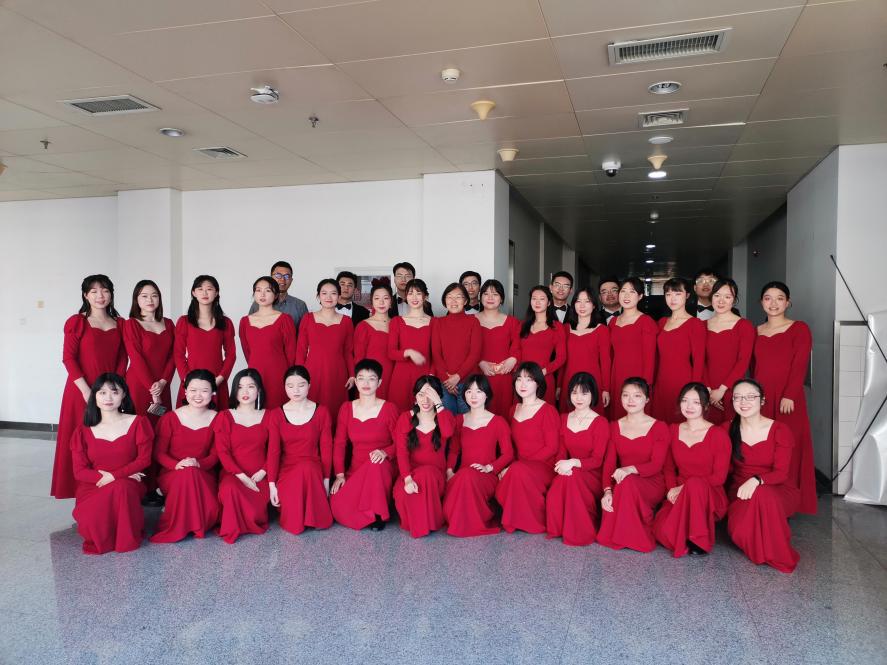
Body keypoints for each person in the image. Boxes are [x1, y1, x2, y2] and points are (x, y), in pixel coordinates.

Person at [52, 274, 128, 500]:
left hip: (110, 392)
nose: (100, 296)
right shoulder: (77, 322)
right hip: (81, 391)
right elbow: (69, 358)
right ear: (85, 295)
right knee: (82, 439)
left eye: (105, 290)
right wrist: (87, 391)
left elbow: (123, 358)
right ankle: (81, 489)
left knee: (108, 437)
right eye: (94, 291)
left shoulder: (120, 323)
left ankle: (108, 485)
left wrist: (116, 389)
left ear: (111, 294)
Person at [752, 281, 817, 515]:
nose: (773, 303)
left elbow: (800, 364)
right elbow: (753, 368)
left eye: (780, 298)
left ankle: (787, 503)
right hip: (762, 398)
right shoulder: (755, 331)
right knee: (764, 447)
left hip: (788, 398)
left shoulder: (799, 328)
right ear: (761, 302)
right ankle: (765, 499)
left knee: (788, 447)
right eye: (768, 298)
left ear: (788, 303)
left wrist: (789, 394)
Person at [70, 373, 152, 554]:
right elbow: (80, 471)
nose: (108, 398)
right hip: (95, 485)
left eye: (114, 392)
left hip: (128, 483)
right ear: (94, 396)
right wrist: (113, 477)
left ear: (124, 395)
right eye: (102, 393)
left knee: (122, 487)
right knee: (91, 521)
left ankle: (125, 538)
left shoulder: (138, 422)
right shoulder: (82, 430)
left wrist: (115, 476)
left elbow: (144, 460)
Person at [726, 379, 800, 573]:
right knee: (738, 532)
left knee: (763, 493)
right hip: (741, 492)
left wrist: (757, 480)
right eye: (738, 397)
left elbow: (781, 473)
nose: (743, 402)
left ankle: (776, 552)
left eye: (750, 397)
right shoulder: (727, 428)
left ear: (762, 401)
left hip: (777, 488)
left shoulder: (780, 430)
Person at [653, 383, 730, 557]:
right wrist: (672, 489)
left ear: (705, 405)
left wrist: (685, 487)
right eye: (685, 400)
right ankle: (687, 531)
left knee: (695, 484)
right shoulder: (673, 430)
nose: (689, 406)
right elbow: (668, 468)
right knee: (662, 531)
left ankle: (699, 539)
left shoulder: (718, 434)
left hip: (708, 493)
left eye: (696, 402)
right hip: (679, 492)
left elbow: (719, 477)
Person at [597, 378, 668, 552]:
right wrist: (607, 491)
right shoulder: (614, 426)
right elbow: (609, 463)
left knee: (626, 482)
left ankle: (636, 538)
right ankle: (623, 534)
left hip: (651, 482)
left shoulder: (659, 427)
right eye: (626, 395)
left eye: (637, 395)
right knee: (624, 484)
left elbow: (656, 465)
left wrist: (630, 469)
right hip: (624, 481)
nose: (630, 400)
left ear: (647, 399)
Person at [150, 370, 220, 543]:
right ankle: (188, 524)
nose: (198, 395)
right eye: (193, 390)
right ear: (186, 391)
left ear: (213, 392)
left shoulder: (219, 419)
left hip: (204, 472)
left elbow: (216, 454)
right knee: (187, 473)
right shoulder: (169, 418)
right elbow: (158, 453)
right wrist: (177, 465)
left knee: (191, 473)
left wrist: (198, 464)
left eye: (204, 390)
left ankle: (188, 519)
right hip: (172, 472)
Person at [330, 359, 400, 530]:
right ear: (355, 381)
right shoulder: (346, 408)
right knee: (337, 503)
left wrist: (385, 452)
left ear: (379, 382)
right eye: (361, 378)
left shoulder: (389, 408)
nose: (366, 383)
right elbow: (339, 443)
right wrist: (339, 475)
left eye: (371, 378)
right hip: (357, 468)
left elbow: (401, 442)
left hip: (382, 466)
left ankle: (378, 514)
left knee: (376, 464)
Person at [443, 374, 513, 537]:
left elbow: (508, 453)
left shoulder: (498, 421)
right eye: (469, 391)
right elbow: (453, 451)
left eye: (478, 391)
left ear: (487, 394)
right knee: (464, 476)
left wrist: (490, 467)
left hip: (486, 475)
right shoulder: (459, 420)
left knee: (467, 475)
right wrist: (449, 471)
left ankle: (468, 525)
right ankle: (459, 522)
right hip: (463, 475)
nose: (473, 396)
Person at [267, 366, 334, 535]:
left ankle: (312, 516)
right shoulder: (276, 414)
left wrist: (326, 481)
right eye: (290, 386)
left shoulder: (322, 412)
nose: (295, 390)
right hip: (287, 470)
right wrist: (272, 485)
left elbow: (326, 449)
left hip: (313, 468)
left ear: (309, 385)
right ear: (284, 387)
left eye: (301, 385)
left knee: (307, 467)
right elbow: (273, 452)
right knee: (301, 472)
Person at [545, 372, 609, 547]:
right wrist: (562, 466)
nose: (578, 398)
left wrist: (573, 463)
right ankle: (560, 528)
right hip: (569, 470)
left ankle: (579, 532)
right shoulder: (564, 418)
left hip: (591, 474)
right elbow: (560, 452)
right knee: (560, 485)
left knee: (571, 479)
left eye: (584, 393)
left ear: (593, 394)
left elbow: (597, 460)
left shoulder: (601, 422)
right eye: (574, 392)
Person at [495, 362, 560, 534]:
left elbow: (552, 448)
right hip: (519, 467)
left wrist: (518, 466)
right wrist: (509, 466)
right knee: (515, 471)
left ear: (538, 383)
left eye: (529, 380)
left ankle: (530, 521)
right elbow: (512, 448)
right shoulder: (513, 410)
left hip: (543, 466)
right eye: (519, 379)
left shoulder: (548, 410)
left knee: (517, 471)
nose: (522, 384)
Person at [393, 376, 455, 538]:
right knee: (402, 494)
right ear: (415, 397)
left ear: (437, 396)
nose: (425, 400)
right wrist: (407, 479)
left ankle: (424, 524)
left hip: (434, 476)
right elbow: (401, 452)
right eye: (421, 394)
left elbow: (448, 433)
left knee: (426, 474)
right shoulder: (405, 418)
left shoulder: (446, 416)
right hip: (409, 475)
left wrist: (439, 404)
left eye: (430, 395)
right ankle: (421, 521)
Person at [214, 369, 271, 544]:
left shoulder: (269, 416)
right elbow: (222, 452)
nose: (245, 392)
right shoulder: (225, 416)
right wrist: (242, 477)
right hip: (233, 474)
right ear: (234, 390)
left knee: (255, 512)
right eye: (240, 387)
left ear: (259, 390)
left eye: (251, 386)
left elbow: (275, 450)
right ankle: (232, 527)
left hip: (260, 475)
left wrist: (264, 471)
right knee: (230, 489)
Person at [296, 278, 355, 424]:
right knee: (312, 411)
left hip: (338, 372)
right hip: (313, 372)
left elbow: (348, 352)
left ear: (339, 296)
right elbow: (301, 350)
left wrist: (352, 375)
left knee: (337, 411)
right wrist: (298, 375)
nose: (329, 297)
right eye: (324, 293)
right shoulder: (308, 318)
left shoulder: (346, 321)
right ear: (318, 296)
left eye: (333, 293)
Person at [174, 275, 236, 408]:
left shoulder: (225, 323)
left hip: (217, 381)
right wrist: (188, 380)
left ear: (216, 293)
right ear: (193, 293)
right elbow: (178, 354)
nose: (205, 293)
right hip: (190, 382)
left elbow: (231, 355)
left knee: (218, 418)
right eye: (200, 289)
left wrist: (219, 379)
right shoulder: (184, 322)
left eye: (209, 289)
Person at [652, 278, 706, 423]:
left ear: (687, 295)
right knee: (660, 422)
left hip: (683, 381)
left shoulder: (695, 324)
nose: (672, 298)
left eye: (677, 293)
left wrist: (694, 389)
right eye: (668, 294)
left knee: (680, 421)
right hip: (661, 381)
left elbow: (699, 360)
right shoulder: (661, 322)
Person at [239, 276, 298, 409]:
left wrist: (288, 377)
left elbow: (291, 351)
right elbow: (247, 351)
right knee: (256, 409)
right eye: (258, 290)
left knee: (278, 409)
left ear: (276, 295)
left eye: (268, 290)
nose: (262, 294)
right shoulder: (245, 321)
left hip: (279, 373)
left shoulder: (285, 319)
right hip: (254, 372)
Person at [703, 278, 755, 425]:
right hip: (706, 391)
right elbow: (700, 360)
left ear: (734, 300)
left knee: (731, 431)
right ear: (711, 297)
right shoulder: (702, 325)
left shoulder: (744, 326)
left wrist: (721, 390)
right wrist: (708, 390)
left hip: (732, 388)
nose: (721, 301)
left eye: (727, 297)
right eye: (717, 295)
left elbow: (743, 361)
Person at [123, 280, 175, 424]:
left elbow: (174, 356)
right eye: (144, 296)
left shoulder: (169, 324)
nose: (150, 300)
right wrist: (152, 388)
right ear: (136, 299)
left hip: (163, 384)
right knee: (140, 425)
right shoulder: (131, 324)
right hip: (139, 384)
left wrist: (163, 382)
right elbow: (136, 358)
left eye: (154, 295)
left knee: (162, 424)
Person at [608, 277, 657, 419]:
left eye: (632, 292)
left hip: (638, 377)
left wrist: (645, 385)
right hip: (616, 376)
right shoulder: (613, 322)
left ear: (640, 296)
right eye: (623, 291)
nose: (626, 296)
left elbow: (650, 357)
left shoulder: (646, 322)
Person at [431, 283, 481, 414]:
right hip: (445, 383)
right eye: (449, 297)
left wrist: (458, 377)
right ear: (444, 301)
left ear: (465, 301)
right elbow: (436, 353)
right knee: (447, 421)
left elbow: (475, 353)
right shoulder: (438, 322)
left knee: (468, 421)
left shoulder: (473, 322)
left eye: (458, 297)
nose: (453, 301)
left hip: (468, 382)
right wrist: (447, 380)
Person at [561, 287, 610, 415]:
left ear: (594, 305)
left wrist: (606, 389)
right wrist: (559, 386)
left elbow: (605, 361)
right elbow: (562, 360)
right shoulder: (565, 329)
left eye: (587, 301)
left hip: (593, 381)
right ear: (573, 304)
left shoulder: (601, 330)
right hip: (569, 380)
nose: (582, 305)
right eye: (578, 301)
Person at [476, 279, 521, 418]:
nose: (490, 297)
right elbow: (464, 348)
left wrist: (513, 359)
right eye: (486, 294)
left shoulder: (512, 322)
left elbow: (518, 346)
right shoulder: (470, 321)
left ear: (501, 299)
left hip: (504, 376)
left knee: (503, 413)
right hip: (478, 374)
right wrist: (480, 362)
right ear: (480, 297)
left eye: (495, 294)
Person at [387, 278, 433, 411]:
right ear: (406, 296)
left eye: (418, 293)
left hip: (425, 376)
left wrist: (431, 376)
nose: (414, 297)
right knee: (400, 413)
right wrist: (408, 352)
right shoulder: (396, 321)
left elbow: (437, 354)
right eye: (410, 293)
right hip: (401, 376)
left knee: (425, 414)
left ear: (425, 296)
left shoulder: (435, 322)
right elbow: (391, 352)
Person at [518, 286, 566, 405]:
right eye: (534, 298)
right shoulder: (522, 325)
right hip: (522, 379)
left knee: (543, 413)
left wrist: (543, 372)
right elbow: (516, 351)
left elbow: (561, 357)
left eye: (542, 299)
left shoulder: (557, 327)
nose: (537, 302)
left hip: (544, 378)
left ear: (549, 302)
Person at [353, 280, 394, 399]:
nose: (381, 302)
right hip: (371, 376)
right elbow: (358, 358)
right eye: (377, 298)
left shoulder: (398, 324)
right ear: (371, 301)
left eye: (385, 298)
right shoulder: (363, 326)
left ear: (391, 301)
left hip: (395, 375)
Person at [248, 260, 308, 329]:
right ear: (271, 278)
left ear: (291, 280)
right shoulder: (258, 304)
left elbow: (305, 332)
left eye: (287, 276)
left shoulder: (300, 305)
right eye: (278, 275)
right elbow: (250, 329)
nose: (282, 279)